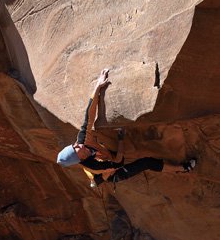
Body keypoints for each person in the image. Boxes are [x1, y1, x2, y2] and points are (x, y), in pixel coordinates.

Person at [57, 69, 196, 187]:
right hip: (114, 171)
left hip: (106, 154)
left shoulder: (81, 141)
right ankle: (183, 168)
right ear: (79, 158)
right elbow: (118, 162)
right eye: (76, 150)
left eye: (74, 146)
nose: (77, 145)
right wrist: (121, 141)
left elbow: (89, 115)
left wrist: (98, 86)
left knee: (97, 133)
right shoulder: (93, 166)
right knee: (147, 162)